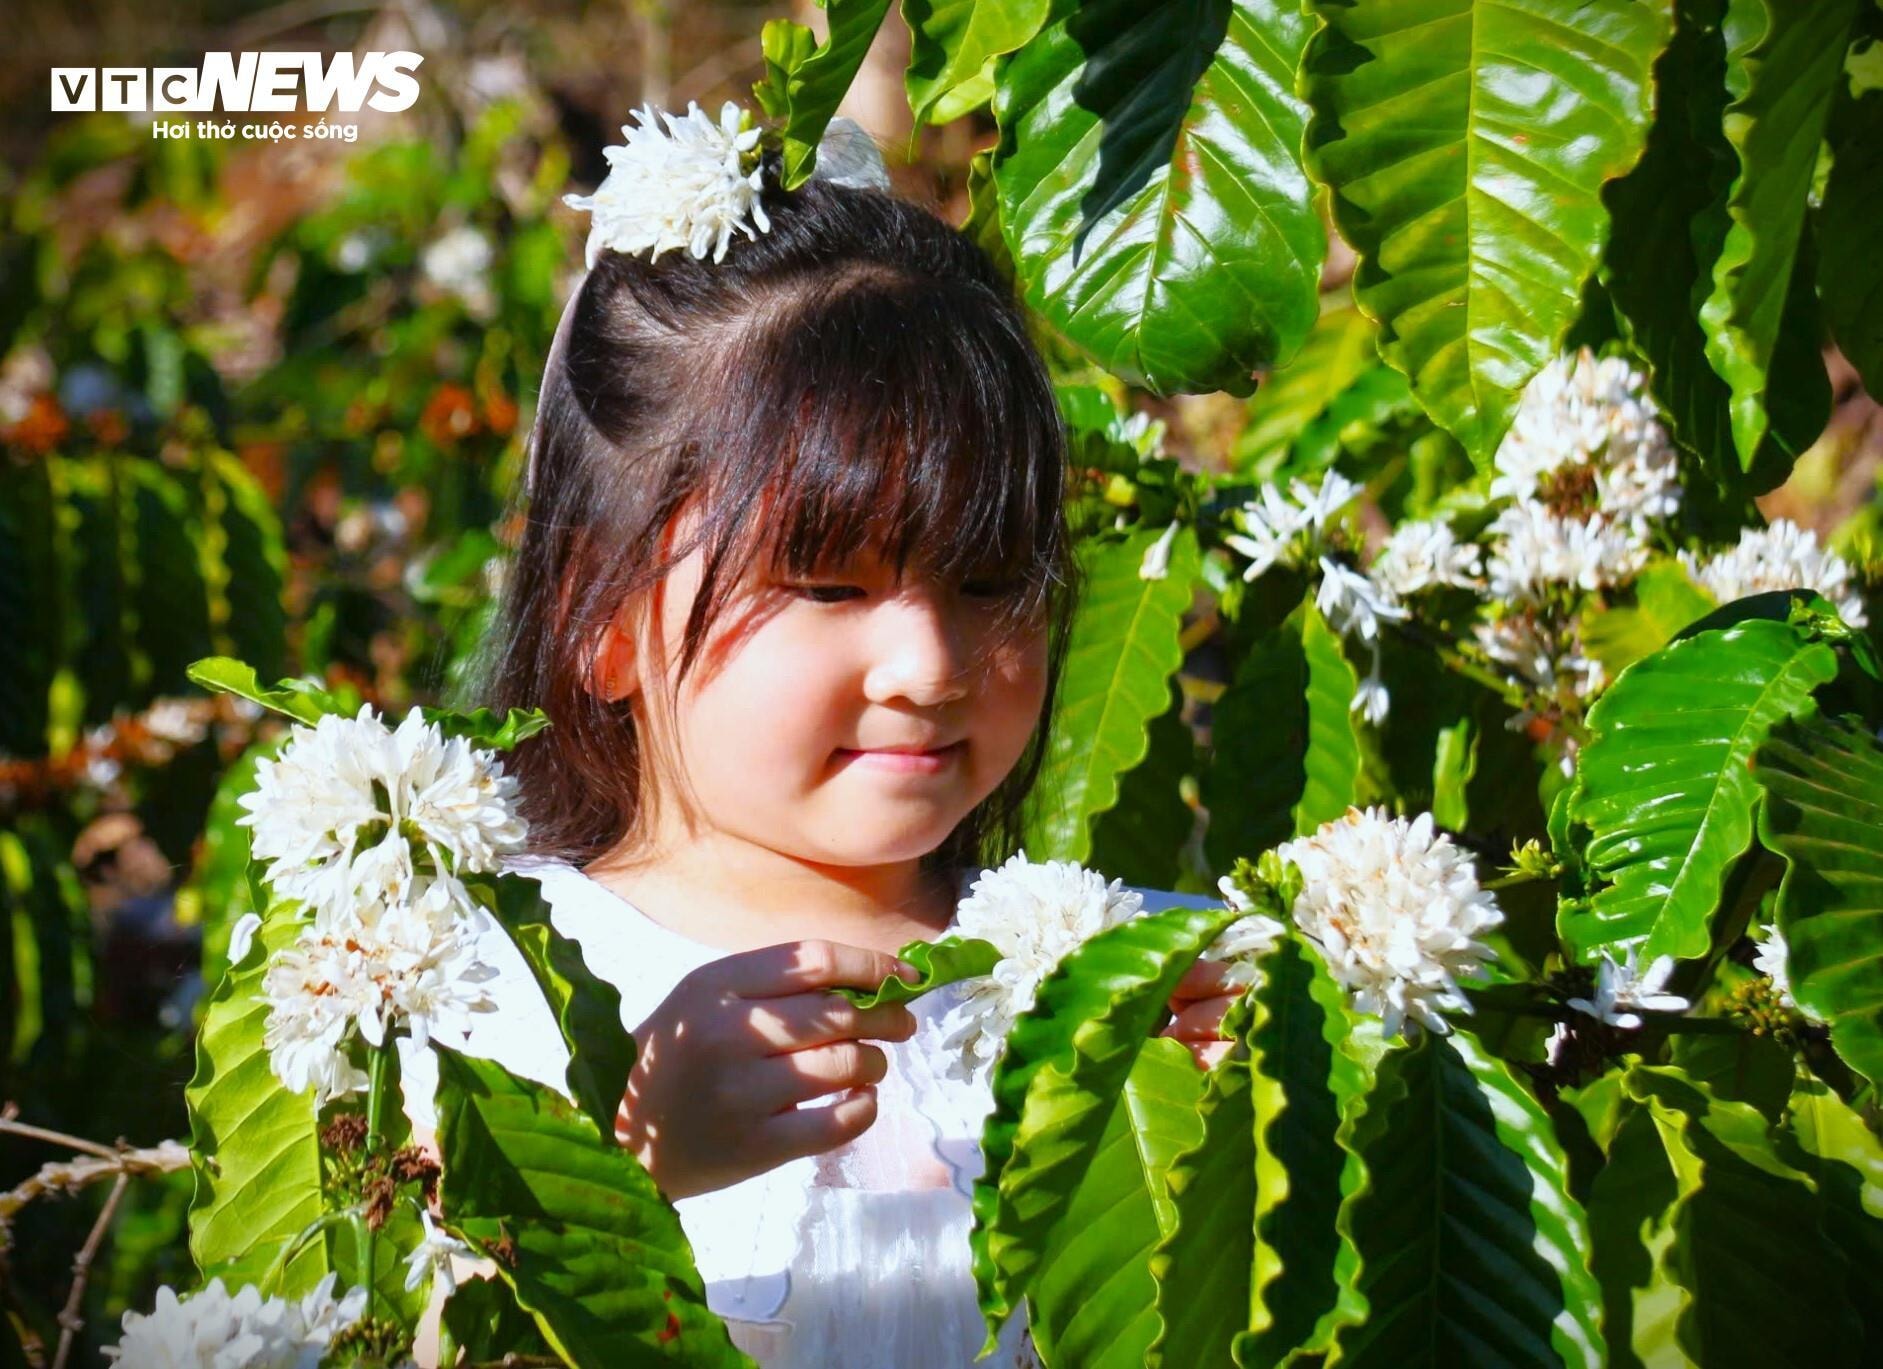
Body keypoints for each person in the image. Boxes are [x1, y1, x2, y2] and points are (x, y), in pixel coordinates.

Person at [397, 101, 1242, 1368]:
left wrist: (1266, 1118)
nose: (929, 665)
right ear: (601, 615)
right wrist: (614, 1178)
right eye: (830, 588)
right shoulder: (468, 997)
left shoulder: (1146, 973)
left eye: (988, 576)